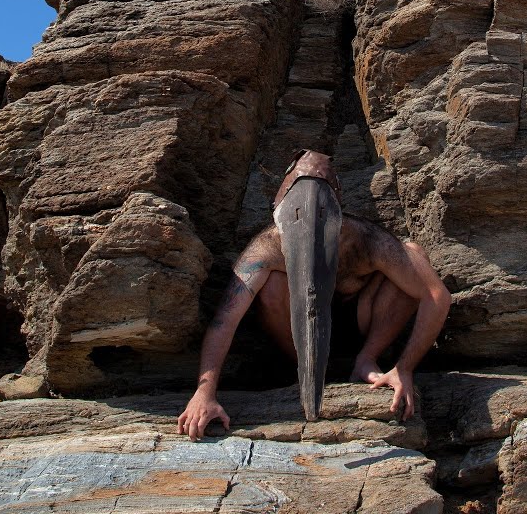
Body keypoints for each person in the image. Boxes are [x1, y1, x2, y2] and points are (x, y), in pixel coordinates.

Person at [177, 151, 452, 442]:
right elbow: (225, 320)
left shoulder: (367, 240)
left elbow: (437, 296)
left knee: (413, 257)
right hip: (295, 334)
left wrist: (404, 368)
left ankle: (366, 360)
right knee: (273, 284)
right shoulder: (267, 248)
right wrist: (204, 393)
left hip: (359, 322)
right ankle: (302, 368)